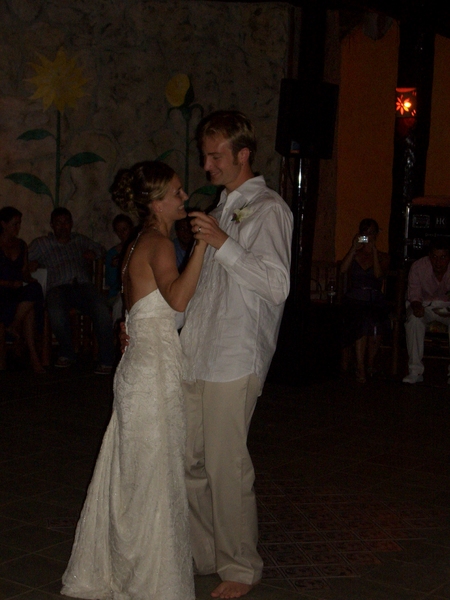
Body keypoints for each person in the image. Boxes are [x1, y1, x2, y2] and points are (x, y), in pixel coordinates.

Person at [61, 161, 207, 600]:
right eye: (177, 192)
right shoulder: (159, 243)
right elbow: (177, 299)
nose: (184, 197)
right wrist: (203, 245)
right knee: (152, 476)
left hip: (142, 365)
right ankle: (148, 582)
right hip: (152, 371)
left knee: (137, 472)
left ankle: (129, 570)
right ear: (156, 202)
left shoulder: (140, 242)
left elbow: (141, 308)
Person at [182, 110, 293, 598]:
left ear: (243, 154)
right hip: (197, 352)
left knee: (226, 465)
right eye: (204, 156)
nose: (206, 166)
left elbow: (276, 284)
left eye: (215, 156)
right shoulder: (222, 207)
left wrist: (223, 242)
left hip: (234, 355)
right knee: (188, 461)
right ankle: (205, 553)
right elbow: (204, 290)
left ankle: (241, 567)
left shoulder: (269, 209)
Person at [28, 207, 114, 374]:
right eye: (58, 223)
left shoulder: (79, 240)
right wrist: (34, 264)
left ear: (71, 224)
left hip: (82, 286)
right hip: (58, 287)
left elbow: (101, 249)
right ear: (52, 225)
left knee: (102, 309)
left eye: (66, 222)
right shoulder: (42, 243)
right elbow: (22, 258)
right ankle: (67, 352)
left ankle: (106, 360)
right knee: (55, 309)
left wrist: (93, 253)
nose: (63, 226)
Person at [340, 218, 390, 383]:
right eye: (365, 233)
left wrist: (373, 251)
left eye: (372, 233)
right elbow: (343, 269)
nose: (368, 236)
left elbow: (378, 275)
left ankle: (370, 363)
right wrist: (353, 248)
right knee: (360, 320)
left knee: (374, 320)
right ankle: (360, 367)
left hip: (374, 301)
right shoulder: (355, 254)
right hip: (355, 300)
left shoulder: (382, 257)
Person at [0, 206, 45, 373]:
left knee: (35, 289)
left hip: (16, 291)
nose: (18, 228)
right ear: (3, 224)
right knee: (29, 311)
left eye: (19, 224)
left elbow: (24, 272)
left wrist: (30, 276)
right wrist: (8, 284)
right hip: (2, 291)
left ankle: (14, 326)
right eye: (14, 224)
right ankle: (33, 358)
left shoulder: (21, 245)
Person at [402, 238, 450, 384]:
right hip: (424, 306)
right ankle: (415, 371)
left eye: (443, 257)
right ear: (429, 256)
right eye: (434, 257)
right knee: (413, 321)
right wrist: (417, 307)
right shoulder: (418, 267)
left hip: (447, 307)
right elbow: (414, 295)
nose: (438, 262)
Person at [105, 213, 134, 323]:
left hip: (136, 290)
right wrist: (114, 268)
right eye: (118, 231)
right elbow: (110, 283)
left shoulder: (138, 249)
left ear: (131, 228)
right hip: (118, 293)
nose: (122, 234)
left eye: (124, 229)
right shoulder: (112, 254)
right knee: (121, 303)